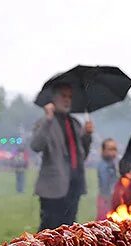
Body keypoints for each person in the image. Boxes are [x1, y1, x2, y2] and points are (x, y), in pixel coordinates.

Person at [30, 82, 94, 230]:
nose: (67, 100)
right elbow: (36, 146)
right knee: (49, 230)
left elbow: (81, 156)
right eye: (63, 96)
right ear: (54, 98)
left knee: (69, 230)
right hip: (53, 187)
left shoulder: (75, 124)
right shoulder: (45, 122)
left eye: (70, 97)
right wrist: (48, 119)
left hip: (74, 186)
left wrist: (87, 137)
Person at [96, 138, 119, 219]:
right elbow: (106, 185)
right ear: (103, 151)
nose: (113, 152)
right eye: (110, 149)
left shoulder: (113, 164)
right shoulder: (104, 165)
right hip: (106, 201)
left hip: (112, 200)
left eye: (114, 149)